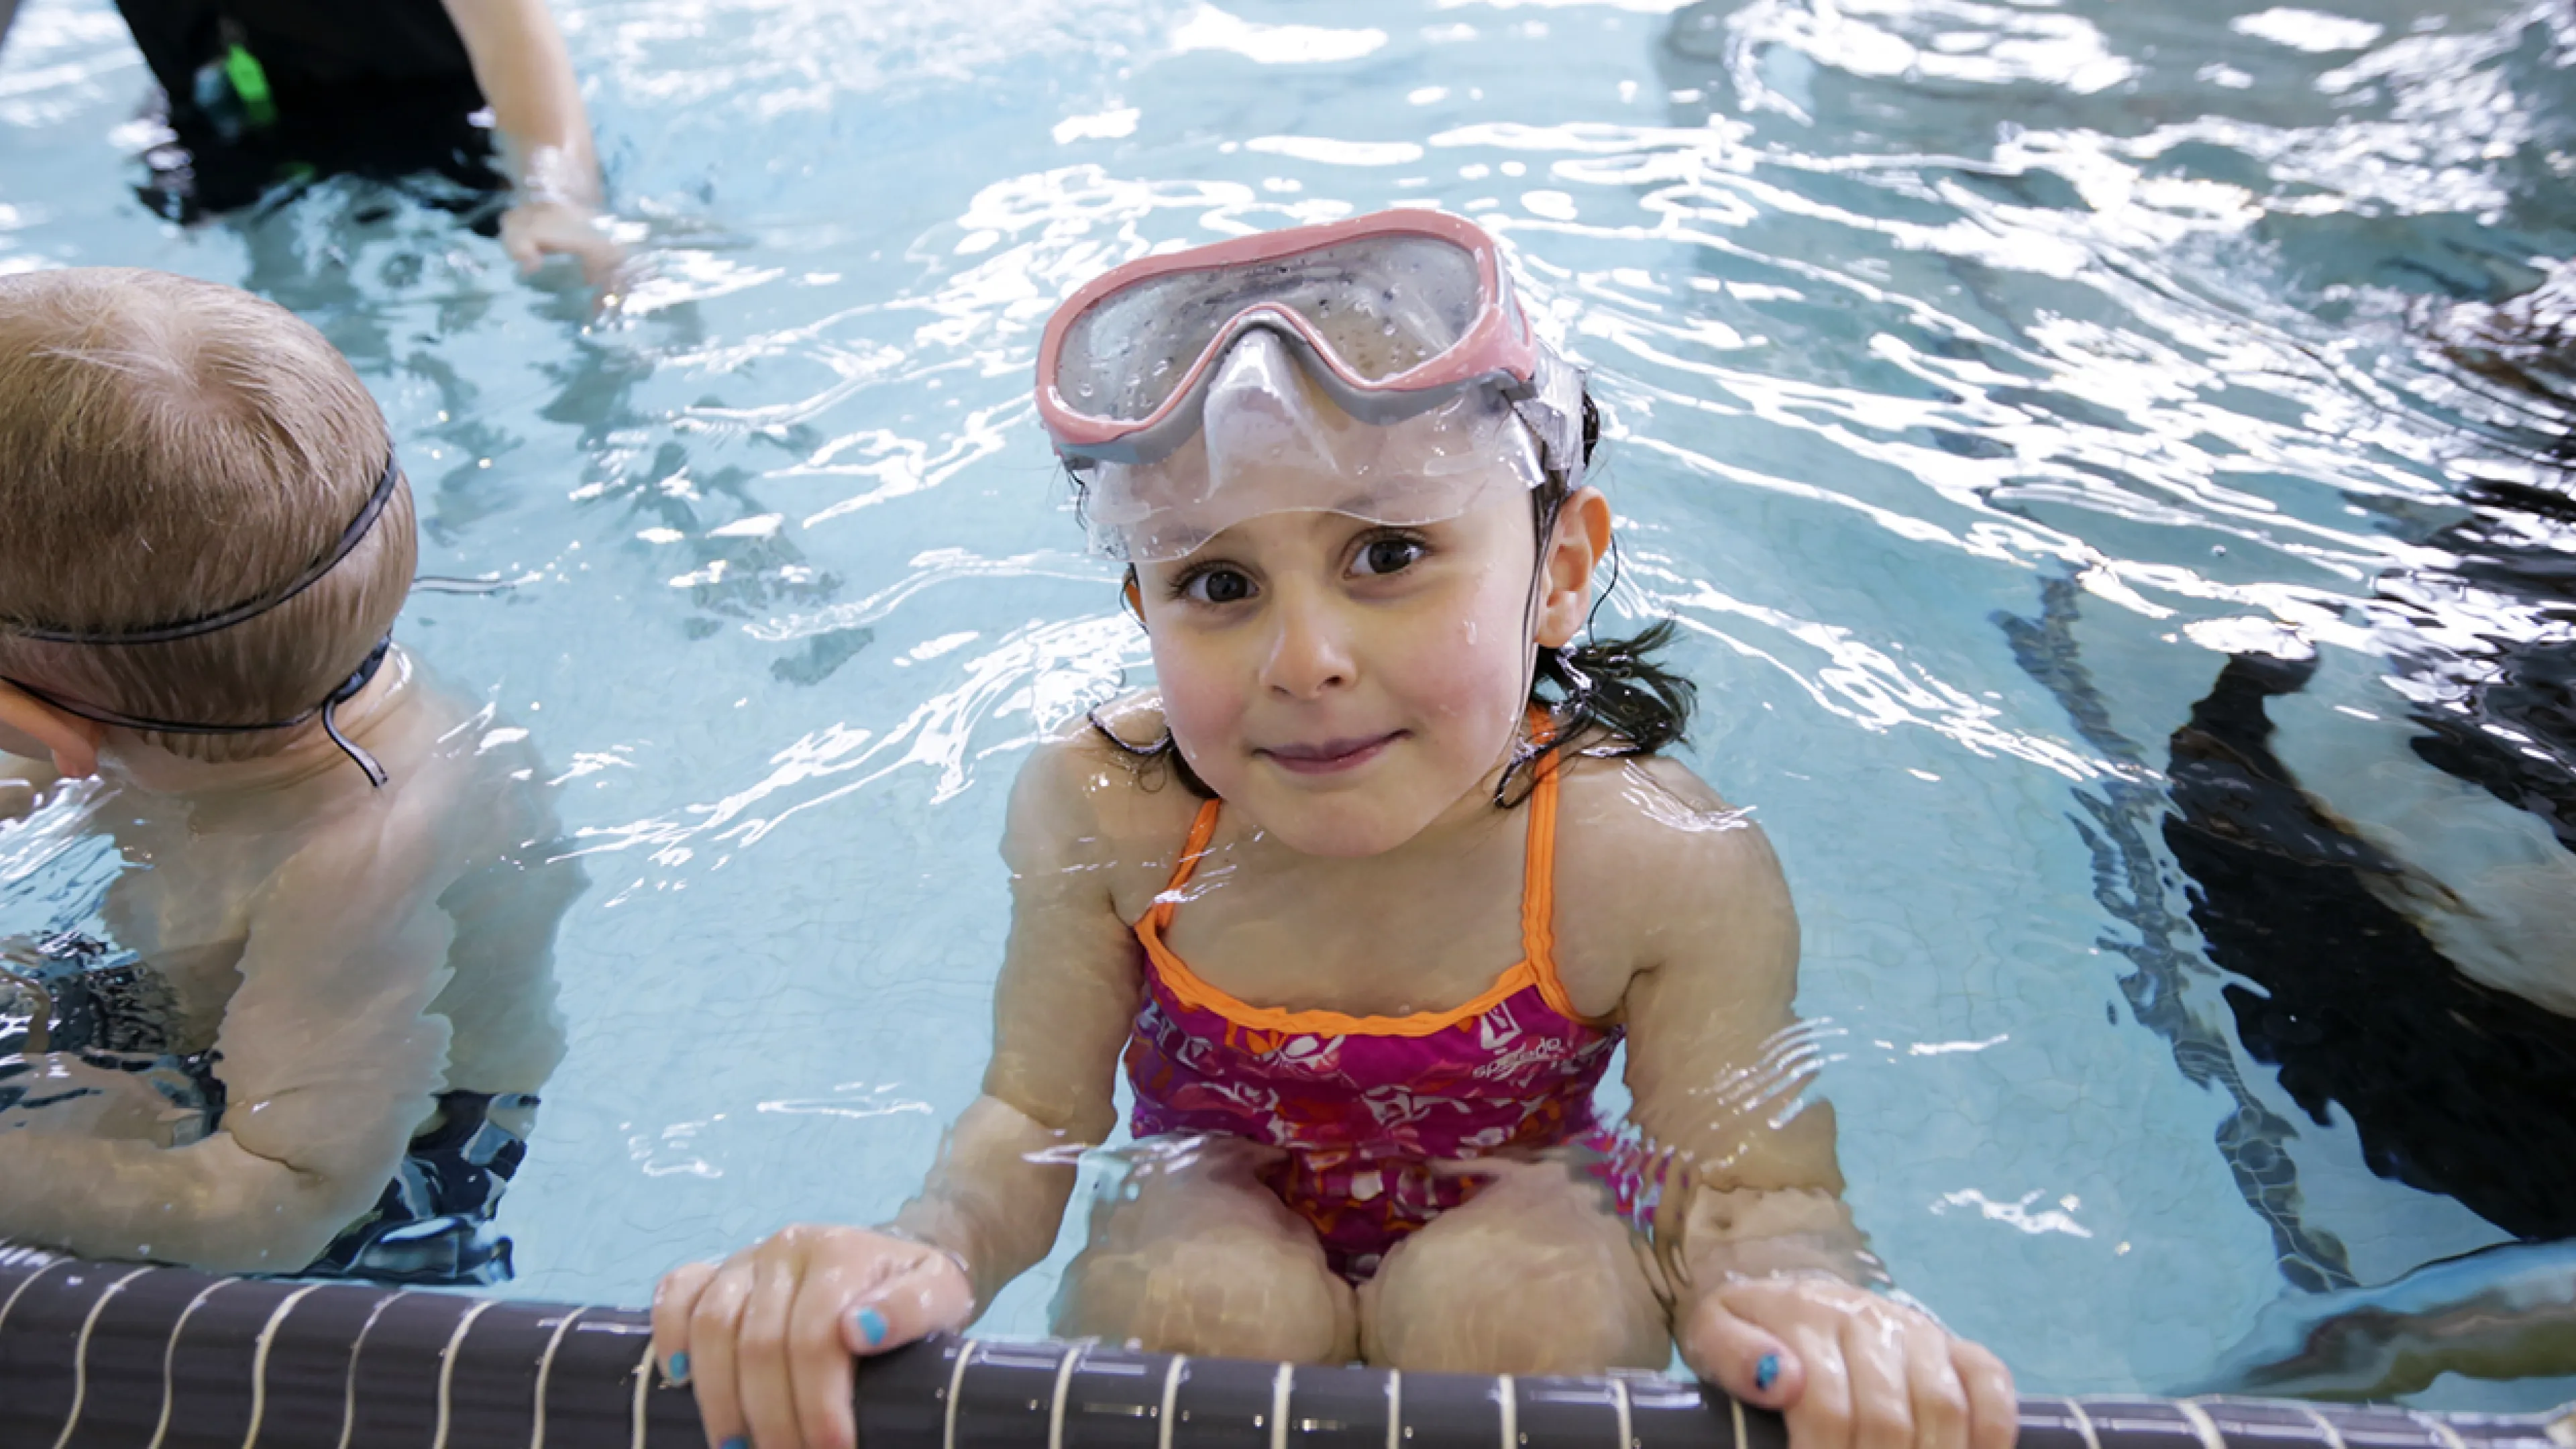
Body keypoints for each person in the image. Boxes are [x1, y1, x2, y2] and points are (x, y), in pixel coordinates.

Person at [651, 211, 2017, 1449]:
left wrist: (1810, 1310)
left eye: (1387, 554)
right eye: (1221, 580)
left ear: (1560, 574)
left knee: (1525, 1297)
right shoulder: (1111, 812)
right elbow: (1032, 1118)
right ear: (1144, 614)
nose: (1303, 659)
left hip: (1523, 1208)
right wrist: (918, 1249)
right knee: (1199, 1294)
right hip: (1208, 1198)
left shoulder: (1651, 858)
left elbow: (1753, 1193)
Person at [0, 267, 584, 1281]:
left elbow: (278, 1201)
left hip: (370, 1178)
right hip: (181, 1015)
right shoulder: (252, 666)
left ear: (48, 719)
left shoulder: (357, 854)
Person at [0, 0, 621, 284]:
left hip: (439, 119)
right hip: (229, 120)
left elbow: (515, 40)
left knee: (563, 268)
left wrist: (552, 196)